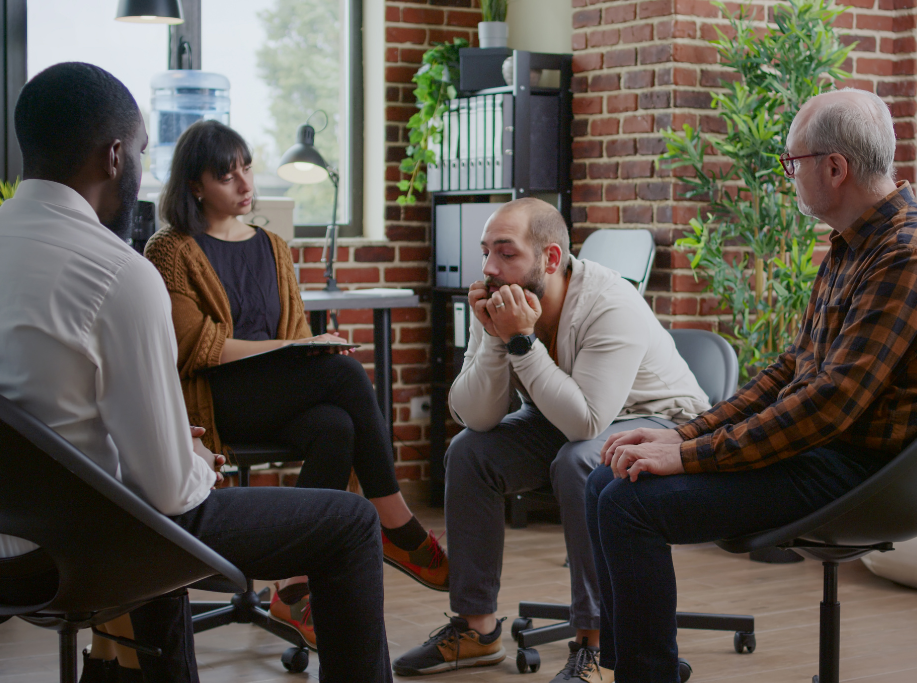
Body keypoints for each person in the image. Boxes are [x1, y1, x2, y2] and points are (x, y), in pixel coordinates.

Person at [0, 62, 393, 683]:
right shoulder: (121, 274)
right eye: (139, 152)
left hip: (8, 548)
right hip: (90, 548)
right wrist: (193, 461)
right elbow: (168, 493)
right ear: (113, 157)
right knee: (351, 523)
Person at [587, 88, 917, 682]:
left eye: (792, 162)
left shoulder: (907, 255)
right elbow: (793, 370)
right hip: (829, 448)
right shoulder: (855, 244)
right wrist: (685, 434)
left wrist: (691, 455)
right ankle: (636, 671)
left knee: (628, 505)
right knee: (608, 478)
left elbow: (827, 407)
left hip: (862, 470)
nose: (788, 175)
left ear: (834, 168)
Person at [144, 120, 448, 647]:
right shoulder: (170, 249)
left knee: (335, 426)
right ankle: (395, 523)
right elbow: (194, 347)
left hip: (275, 393)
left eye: (246, 168)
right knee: (346, 371)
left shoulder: (273, 246)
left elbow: (296, 333)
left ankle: (292, 587)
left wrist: (304, 348)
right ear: (195, 185)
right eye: (225, 175)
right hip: (216, 400)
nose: (244, 184)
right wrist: (292, 351)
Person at [393, 198, 710, 680]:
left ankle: (599, 647)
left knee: (579, 461)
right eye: (485, 253)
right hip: (563, 420)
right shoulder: (504, 300)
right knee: (469, 453)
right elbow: (475, 418)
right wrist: (499, 341)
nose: (489, 269)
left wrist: (521, 340)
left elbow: (586, 424)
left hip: (658, 423)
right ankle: (476, 629)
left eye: (506, 253)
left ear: (552, 258)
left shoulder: (609, 303)